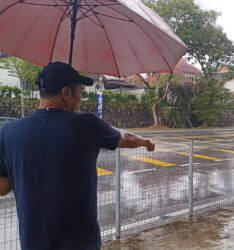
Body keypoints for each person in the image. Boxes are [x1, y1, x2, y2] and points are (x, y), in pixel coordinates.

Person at [0, 61, 155, 250]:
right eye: (80, 91)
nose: (80, 99)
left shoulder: (9, 132)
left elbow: (3, 187)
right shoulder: (86, 125)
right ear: (66, 93)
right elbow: (125, 138)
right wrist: (146, 142)